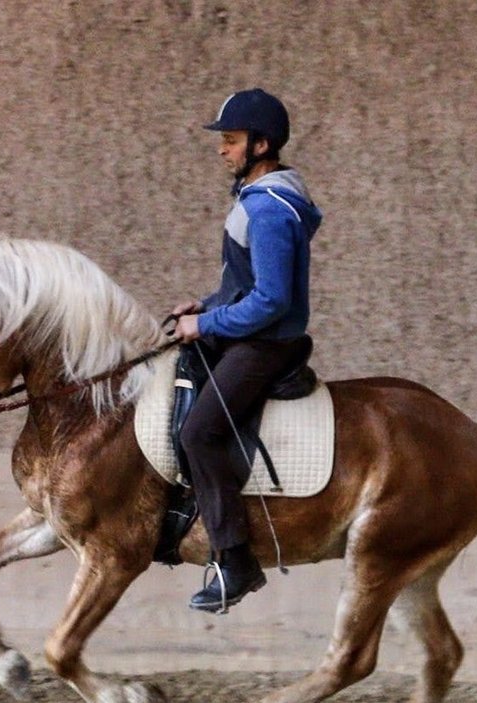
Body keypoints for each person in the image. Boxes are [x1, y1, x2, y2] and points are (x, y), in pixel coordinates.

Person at [171, 88, 323, 614]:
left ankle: (235, 561)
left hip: (265, 345)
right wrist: (207, 304)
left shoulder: (271, 210)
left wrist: (206, 323)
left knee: (200, 433)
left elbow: (271, 300)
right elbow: (245, 283)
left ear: (262, 144)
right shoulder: (255, 201)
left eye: (231, 141)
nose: (222, 150)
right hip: (249, 332)